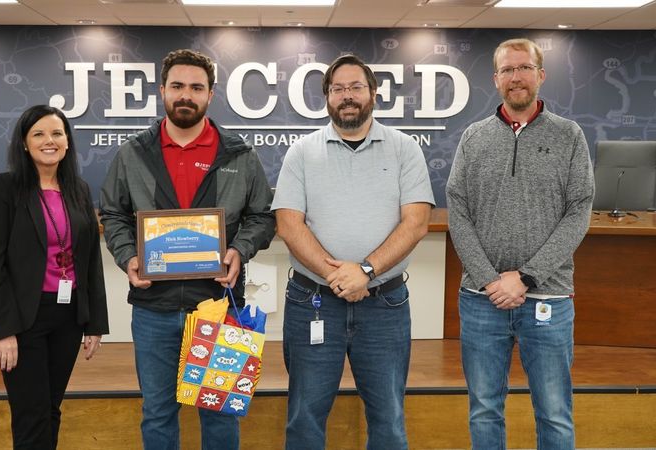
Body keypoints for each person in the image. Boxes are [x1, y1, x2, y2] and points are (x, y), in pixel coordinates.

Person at [99, 48, 275, 450]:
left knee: (219, 412)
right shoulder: (133, 153)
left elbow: (262, 217)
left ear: (210, 94)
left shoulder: (240, 155)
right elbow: (113, 213)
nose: (186, 95)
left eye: (196, 87)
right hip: (153, 310)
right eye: (177, 86)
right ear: (162, 90)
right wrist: (128, 256)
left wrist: (239, 251)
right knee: (157, 413)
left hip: (218, 305)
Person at [272, 54, 435, 450]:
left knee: (389, 419)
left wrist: (364, 270)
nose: (347, 96)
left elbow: (415, 223)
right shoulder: (302, 152)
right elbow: (289, 225)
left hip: (385, 306)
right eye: (338, 89)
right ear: (327, 97)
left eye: (356, 87)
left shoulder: (404, 149)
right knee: (305, 417)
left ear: (374, 94)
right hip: (312, 302)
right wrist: (338, 276)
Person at [446, 38, 595, 450]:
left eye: (524, 68)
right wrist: (490, 279)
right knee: (484, 409)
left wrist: (526, 277)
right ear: (496, 79)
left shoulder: (569, 136)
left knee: (554, 412)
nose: (516, 77)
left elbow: (579, 210)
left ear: (540, 75)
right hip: (481, 300)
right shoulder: (474, 138)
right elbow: (458, 210)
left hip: (548, 298)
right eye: (508, 70)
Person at [0, 104, 109, 449]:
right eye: (39, 134)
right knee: (30, 413)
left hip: (67, 316)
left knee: (50, 408)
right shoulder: (2, 188)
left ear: (67, 141)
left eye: (57, 133)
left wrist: (94, 323)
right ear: (23, 143)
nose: (50, 141)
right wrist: (2, 331)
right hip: (21, 319)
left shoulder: (77, 188)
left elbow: (90, 259)